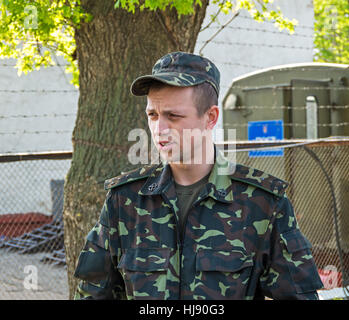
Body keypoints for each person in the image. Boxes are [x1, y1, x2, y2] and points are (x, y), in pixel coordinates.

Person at [73, 51, 323, 300]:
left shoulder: (262, 203)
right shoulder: (125, 200)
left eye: (174, 116)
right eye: (153, 115)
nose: (159, 129)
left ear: (210, 118)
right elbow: (92, 294)